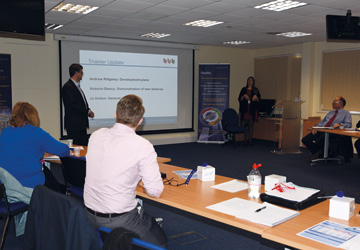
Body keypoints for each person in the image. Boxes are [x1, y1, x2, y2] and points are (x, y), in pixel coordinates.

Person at [84, 94, 167, 247]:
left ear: (116, 115)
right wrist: (141, 181)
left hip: (87, 214)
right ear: (140, 121)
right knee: (160, 241)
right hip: (119, 220)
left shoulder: (96, 135)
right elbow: (155, 191)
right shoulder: (142, 146)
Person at [0, 102, 70, 189]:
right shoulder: (36, 133)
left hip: (6, 188)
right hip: (30, 188)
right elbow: (64, 151)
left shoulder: (5, 132)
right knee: (55, 184)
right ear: (33, 116)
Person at [62, 63, 94, 146]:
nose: (82, 75)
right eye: (81, 73)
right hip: (74, 125)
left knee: (84, 147)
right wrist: (87, 112)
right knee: (77, 149)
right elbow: (72, 105)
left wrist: (88, 110)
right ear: (76, 73)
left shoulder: (77, 86)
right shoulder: (68, 87)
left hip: (80, 125)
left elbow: (82, 103)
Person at [238, 76, 261, 145]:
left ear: (253, 82)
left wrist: (256, 97)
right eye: (249, 80)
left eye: (251, 80)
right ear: (247, 81)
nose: (250, 81)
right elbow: (239, 99)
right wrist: (244, 96)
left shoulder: (256, 90)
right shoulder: (243, 89)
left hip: (252, 110)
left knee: (251, 125)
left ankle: (250, 141)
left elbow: (259, 100)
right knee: (246, 125)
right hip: (245, 109)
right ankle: (245, 140)